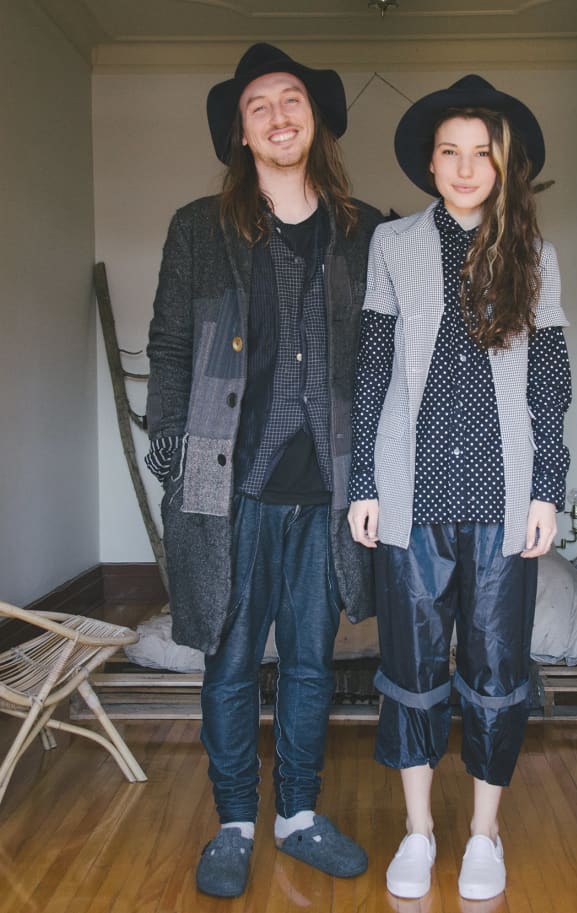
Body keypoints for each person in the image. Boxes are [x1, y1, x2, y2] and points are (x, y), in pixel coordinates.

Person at [145, 42, 381, 899]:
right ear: (242, 134)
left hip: (331, 484)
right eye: (259, 106)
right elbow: (170, 346)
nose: (280, 115)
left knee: (314, 661)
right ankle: (238, 820)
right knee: (230, 657)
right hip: (227, 480)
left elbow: (384, 364)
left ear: (313, 118)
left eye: (292, 100)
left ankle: (299, 814)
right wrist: (168, 447)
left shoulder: (367, 230)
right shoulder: (196, 231)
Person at [347, 75, 571, 901]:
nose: (466, 167)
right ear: (430, 164)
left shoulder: (535, 256)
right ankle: (418, 830)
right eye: (451, 152)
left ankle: (483, 834)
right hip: (412, 491)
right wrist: (364, 481)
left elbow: (549, 381)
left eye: (483, 153)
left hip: (503, 493)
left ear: (505, 166)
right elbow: (372, 369)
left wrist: (547, 485)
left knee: (497, 667)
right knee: (409, 665)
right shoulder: (392, 244)